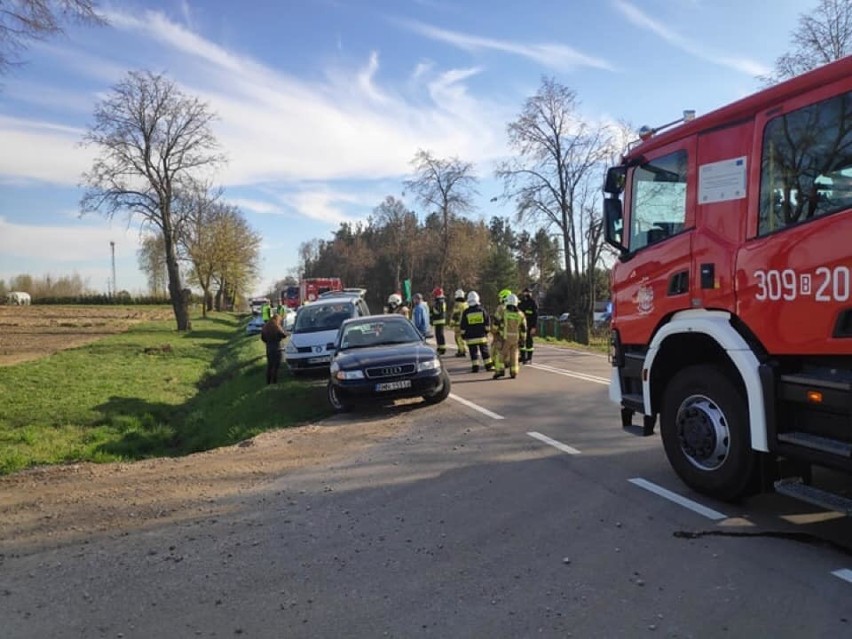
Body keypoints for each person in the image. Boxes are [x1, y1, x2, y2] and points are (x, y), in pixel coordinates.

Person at [494, 294, 526, 379]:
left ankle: (500, 371)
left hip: (505, 338)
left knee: (501, 354)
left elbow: (496, 322)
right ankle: (514, 371)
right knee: (514, 355)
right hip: (516, 339)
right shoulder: (520, 314)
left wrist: (494, 331)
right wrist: (523, 340)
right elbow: (524, 329)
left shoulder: (504, 312)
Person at [459, 291, 493, 373]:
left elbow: (463, 325)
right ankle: (488, 366)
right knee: (485, 352)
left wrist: (463, 335)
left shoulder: (466, 312)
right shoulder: (482, 310)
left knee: (473, 353)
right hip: (482, 337)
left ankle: (475, 367)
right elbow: (487, 322)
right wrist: (486, 332)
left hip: (471, 338)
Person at [490, 288, 512, 378]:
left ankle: (498, 367)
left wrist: (494, 331)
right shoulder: (514, 308)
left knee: (497, 349)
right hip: (512, 334)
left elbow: (496, 321)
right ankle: (508, 362)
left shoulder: (501, 308)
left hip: (501, 333)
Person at [260, 313, 288, 384]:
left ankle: (268, 381)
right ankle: (274, 381)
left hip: (269, 348)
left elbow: (263, 338)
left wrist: (268, 342)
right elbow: (283, 335)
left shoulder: (266, 327)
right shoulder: (277, 327)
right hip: (277, 347)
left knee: (270, 365)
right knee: (276, 365)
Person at [518, 287, 539, 364]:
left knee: (529, 341)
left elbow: (536, 316)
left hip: (530, 325)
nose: (527, 294)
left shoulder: (533, 303)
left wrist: (534, 327)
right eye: (526, 292)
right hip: (522, 325)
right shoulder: (521, 303)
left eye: (529, 292)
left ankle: (529, 358)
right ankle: (523, 357)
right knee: (521, 341)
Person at [449, 289, 467, 357]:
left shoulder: (457, 304)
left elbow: (455, 315)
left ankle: (462, 351)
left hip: (458, 324)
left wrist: (451, 323)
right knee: (462, 338)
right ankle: (461, 349)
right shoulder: (465, 304)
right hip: (465, 324)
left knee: (458, 338)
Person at [430, 287, 448, 355]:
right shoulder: (439, 301)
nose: (433, 295)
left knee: (440, 335)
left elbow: (437, 311)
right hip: (438, 320)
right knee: (438, 335)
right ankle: (440, 347)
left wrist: (433, 308)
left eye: (434, 294)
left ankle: (442, 349)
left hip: (440, 320)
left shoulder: (440, 301)